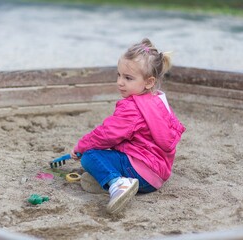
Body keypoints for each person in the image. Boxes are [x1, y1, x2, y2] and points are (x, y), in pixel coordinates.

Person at [71, 38, 186, 214]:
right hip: (158, 174)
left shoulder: (132, 108)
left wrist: (81, 146)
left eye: (128, 78)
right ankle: (108, 180)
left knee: (90, 156)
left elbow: (106, 135)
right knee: (106, 158)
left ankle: (119, 183)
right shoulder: (158, 101)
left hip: (141, 172)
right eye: (118, 75)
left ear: (149, 82)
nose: (120, 82)